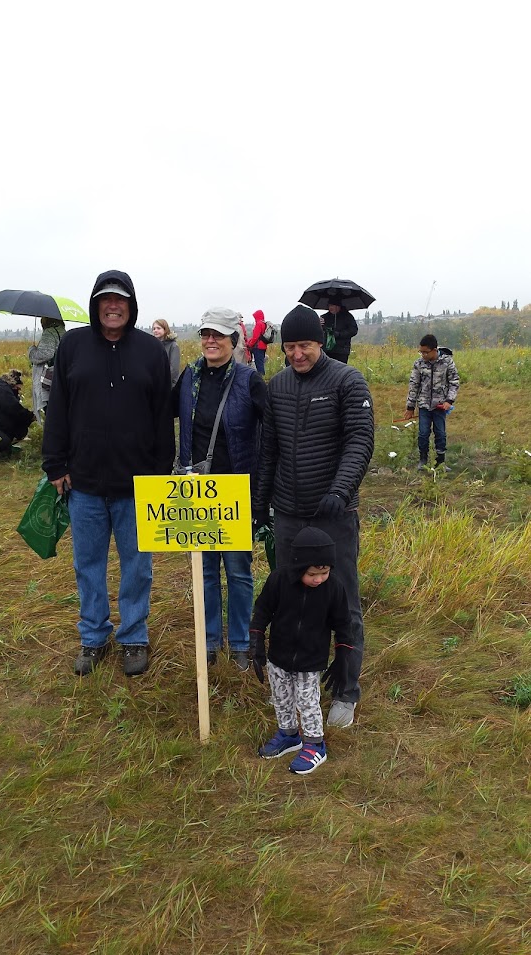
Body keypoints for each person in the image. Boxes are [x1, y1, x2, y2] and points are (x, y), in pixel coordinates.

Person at [42, 270, 174, 677]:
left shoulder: (151, 351)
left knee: (137, 566)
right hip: (84, 483)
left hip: (137, 484)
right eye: (105, 299)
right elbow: (58, 407)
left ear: (131, 306)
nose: (113, 306)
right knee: (88, 565)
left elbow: (162, 417)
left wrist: (160, 473)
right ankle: (94, 637)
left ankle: (133, 636)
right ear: (95, 304)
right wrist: (55, 464)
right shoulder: (73, 346)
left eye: (120, 300)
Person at [252, 304, 374, 727]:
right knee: (291, 599)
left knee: (342, 601)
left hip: (333, 515)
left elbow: (360, 439)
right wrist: (260, 503)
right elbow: (269, 449)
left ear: (320, 343)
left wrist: (340, 490)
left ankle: (346, 690)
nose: (297, 354)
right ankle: (297, 678)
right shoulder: (278, 385)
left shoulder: (347, 381)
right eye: (289, 347)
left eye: (304, 345)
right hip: (289, 513)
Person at [174, 307, 266, 669]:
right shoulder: (189, 376)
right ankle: (210, 641)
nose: (210, 341)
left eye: (218, 335)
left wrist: (262, 489)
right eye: (206, 334)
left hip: (235, 492)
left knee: (239, 571)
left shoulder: (249, 380)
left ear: (234, 340)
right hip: (197, 492)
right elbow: (161, 412)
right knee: (205, 570)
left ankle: (241, 643)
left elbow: (271, 431)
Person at [250, 527, 358, 774]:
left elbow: (343, 623)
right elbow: (263, 610)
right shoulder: (279, 580)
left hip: (311, 660)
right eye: (312, 574)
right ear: (298, 567)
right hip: (278, 656)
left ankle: (314, 744)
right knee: (281, 698)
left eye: (324, 572)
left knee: (307, 702)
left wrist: (343, 655)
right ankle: (289, 735)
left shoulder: (334, 588)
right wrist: (256, 639)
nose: (318, 579)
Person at [404, 334, 460, 469]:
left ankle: (440, 462)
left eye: (426, 352)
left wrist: (449, 401)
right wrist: (410, 407)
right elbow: (414, 385)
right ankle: (423, 460)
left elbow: (454, 382)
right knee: (423, 433)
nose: (423, 355)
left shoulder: (447, 362)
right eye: (421, 352)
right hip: (423, 405)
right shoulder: (418, 364)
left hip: (440, 406)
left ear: (435, 350)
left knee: (440, 433)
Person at [28, 317, 65, 424]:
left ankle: (51, 432)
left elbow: (45, 354)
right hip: (62, 375)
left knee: (50, 411)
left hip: (49, 379)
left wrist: (32, 351)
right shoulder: (64, 332)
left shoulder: (50, 333)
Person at [0, 369, 34, 457]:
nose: (18, 392)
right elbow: (14, 409)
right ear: (13, 385)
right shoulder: (1, 389)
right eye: (17, 389)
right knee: (2, 441)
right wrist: (30, 416)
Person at [321, 298, 358, 364]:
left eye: (332, 305)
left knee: (340, 369)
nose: (330, 308)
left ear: (338, 306)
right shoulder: (324, 317)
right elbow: (320, 332)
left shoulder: (348, 317)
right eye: (329, 306)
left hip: (342, 350)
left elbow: (353, 330)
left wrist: (339, 334)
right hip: (327, 350)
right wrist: (318, 324)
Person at [152, 319, 181, 387]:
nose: (155, 330)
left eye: (158, 328)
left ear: (165, 330)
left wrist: (160, 381)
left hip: (169, 385)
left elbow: (174, 370)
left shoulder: (173, 346)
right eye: (154, 329)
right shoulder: (153, 346)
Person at [246, 309, 268, 375]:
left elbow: (255, 337)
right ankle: (262, 376)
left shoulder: (258, 324)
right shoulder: (264, 323)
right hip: (263, 346)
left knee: (259, 365)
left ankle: (261, 378)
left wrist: (250, 344)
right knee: (261, 363)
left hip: (258, 347)